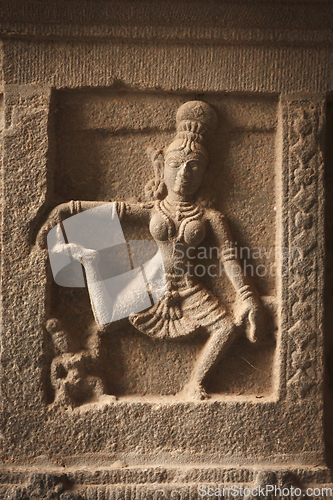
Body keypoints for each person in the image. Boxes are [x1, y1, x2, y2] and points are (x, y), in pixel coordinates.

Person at [38, 100, 263, 401]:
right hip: (151, 283)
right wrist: (66, 209)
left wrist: (248, 297)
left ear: (205, 174)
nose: (184, 173)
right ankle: (91, 270)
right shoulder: (153, 208)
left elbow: (229, 256)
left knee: (226, 327)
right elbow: (114, 210)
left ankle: (195, 382)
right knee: (104, 321)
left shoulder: (211, 218)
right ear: (162, 168)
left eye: (193, 167)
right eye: (176, 165)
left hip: (189, 288)